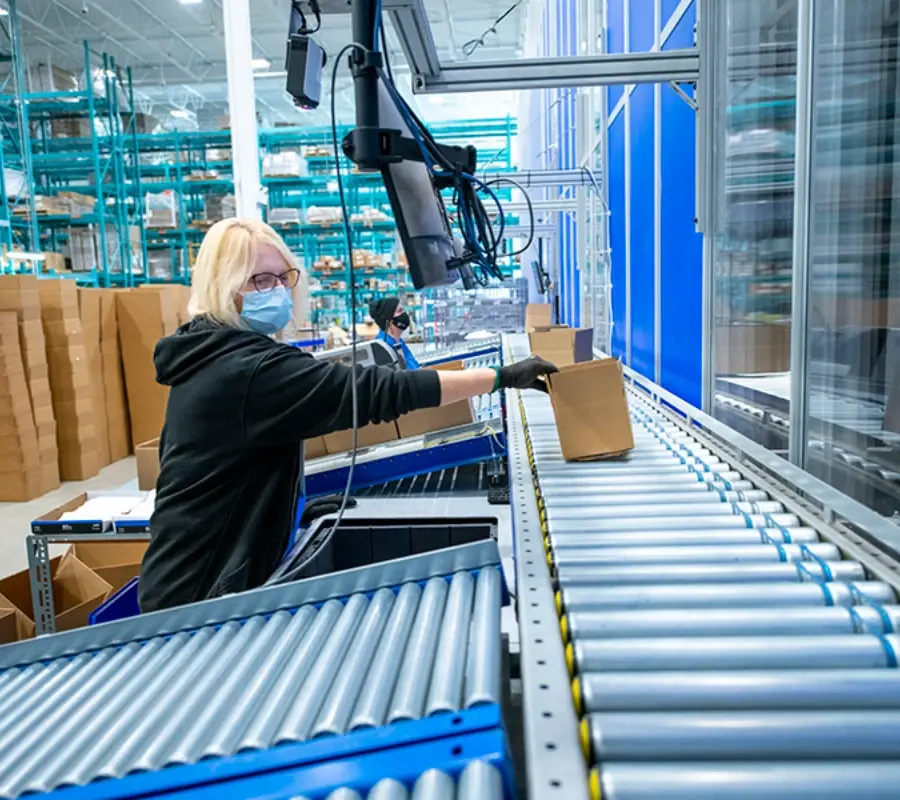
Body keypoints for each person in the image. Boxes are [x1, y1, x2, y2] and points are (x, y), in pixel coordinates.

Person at [139, 218, 557, 613]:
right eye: (260, 280)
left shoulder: (217, 355)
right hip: (196, 599)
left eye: (284, 277)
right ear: (224, 287)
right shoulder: (244, 370)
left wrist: (286, 509)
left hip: (201, 578)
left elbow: (230, 466)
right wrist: (501, 377)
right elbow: (373, 392)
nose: (279, 290)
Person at [370, 296, 420, 369]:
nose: (404, 314)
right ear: (389, 321)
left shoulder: (398, 341)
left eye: (403, 310)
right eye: (400, 311)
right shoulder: (384, 347)